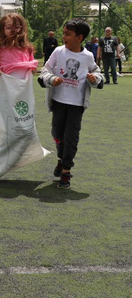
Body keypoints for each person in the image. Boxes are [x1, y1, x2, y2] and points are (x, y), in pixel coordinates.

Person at [39, 19, 103, 189]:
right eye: (63, 33)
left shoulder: (87, 56)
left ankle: (66, 171)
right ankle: (61, 159)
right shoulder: (59, 52)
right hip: (58, 102)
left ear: (79, 37)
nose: (63, 37)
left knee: (72, 138)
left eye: (68, 34)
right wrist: (51, 79)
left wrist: (94, 78)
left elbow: (96, 71)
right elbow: (45, 70)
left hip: (77, 105)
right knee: (57, 134)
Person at [0, 13, 36, 81]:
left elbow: (33, 66)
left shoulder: (28, 48)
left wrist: (34, 69)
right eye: (9, 27)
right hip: (7, 86)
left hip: (24, 87)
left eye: (16, 27)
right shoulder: (0, 48)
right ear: (3, 29)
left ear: (22, 28)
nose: (13, 30)